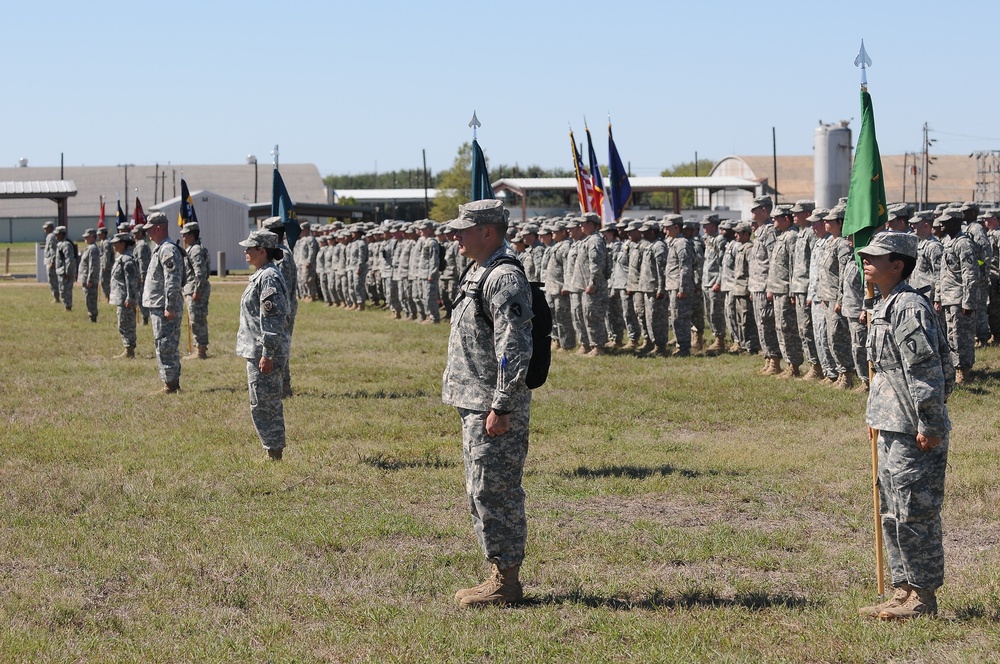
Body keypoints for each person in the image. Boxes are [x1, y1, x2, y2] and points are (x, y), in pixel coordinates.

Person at [442, 199, 533, 608]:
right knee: (480, 490)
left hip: (493, 405)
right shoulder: (479, 270)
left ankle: (506, 582)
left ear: (488, 232)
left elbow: (513, 347)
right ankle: (497, 572)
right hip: (476, 401)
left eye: (463, 229)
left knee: (496, 492)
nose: (456, 236)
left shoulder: (504, 278)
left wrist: (503, 404)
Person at [856, 231, 951, 620]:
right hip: (891, 423)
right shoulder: (884, 304)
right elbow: (883, 373)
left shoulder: (909, 307)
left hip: (915, 428)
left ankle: (924, 598)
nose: (867, 261)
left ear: (898, 264)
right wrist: (873, 416)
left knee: (915, 510)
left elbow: (927, 372)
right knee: (891, 509)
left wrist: (930, 423)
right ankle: (902, 589)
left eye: (876, 257)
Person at [237, 230, 290, 461]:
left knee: (265, 404)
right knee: (261, 402)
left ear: (263, 250)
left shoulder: (268, 277)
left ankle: (274, 453)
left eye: (250, 247)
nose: (245, 251)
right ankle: (272, 450)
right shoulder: (262, 274)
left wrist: (268, 353)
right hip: (258, 349)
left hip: (264, 352)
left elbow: (273, 318)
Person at [141, 212, 184, 393]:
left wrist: (170, 306)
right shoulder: (160, 248)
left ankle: (171, 385)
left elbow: (172, 280)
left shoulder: (167, 250)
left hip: (164, 306)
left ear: (158, 228)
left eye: (150, 230)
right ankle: (169, 382)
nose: (148, 234)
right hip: (158, 305)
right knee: (162, 343)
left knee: (166, 345)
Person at [181, 222, 212, 359]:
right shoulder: (193, 249)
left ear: (192, 235)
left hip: (196, 290)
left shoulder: (195, 250)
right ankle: (198, 348)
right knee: (195, 319)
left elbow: (200, 272)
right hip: (191, 288)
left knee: (197, 320)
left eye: (185, 235)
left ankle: (200, 350)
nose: (183, 237)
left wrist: (197, 290)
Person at [109, 232, 140, 358]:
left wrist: (130, 298)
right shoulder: (122, 258)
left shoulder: (127, 260)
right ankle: (128, 348)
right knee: (124, 323)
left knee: (126, 323)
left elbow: (131, 281)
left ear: (123, 244)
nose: (114, 246)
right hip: (121, 297)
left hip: (125, 298)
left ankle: (129, 351)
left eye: (116, 243)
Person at [79, 228, 100, 322]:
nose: (85, 239)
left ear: (92, 237)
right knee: (88, 298)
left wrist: (90, 279)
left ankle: (93, 316)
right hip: (86, 277)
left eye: (87, 237)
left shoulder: (93, 249)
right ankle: (91, 315)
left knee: (91, 298)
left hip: (89, 279)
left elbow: (93, 266)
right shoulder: (90, 248)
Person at [54, 226, 77, 311]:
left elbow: (69, 259)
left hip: (65, 272)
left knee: (66, 290)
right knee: (62, 289)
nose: (56, 236)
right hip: (61, 271)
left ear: (61, 234)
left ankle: (68, 307)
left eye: (57, 234)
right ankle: (66, 306)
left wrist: (67, 272)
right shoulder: (61, 243)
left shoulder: (66, 244)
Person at [42, 221, 60, 303]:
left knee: (53, 280)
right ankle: (56, 296)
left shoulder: (51, 237)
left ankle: (56, 297)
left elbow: (53, 249)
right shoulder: (50, 236)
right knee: (52, 280)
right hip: (49, 260)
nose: (44, 229)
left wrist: (52, 261)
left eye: (46, 228)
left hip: (51, 262)